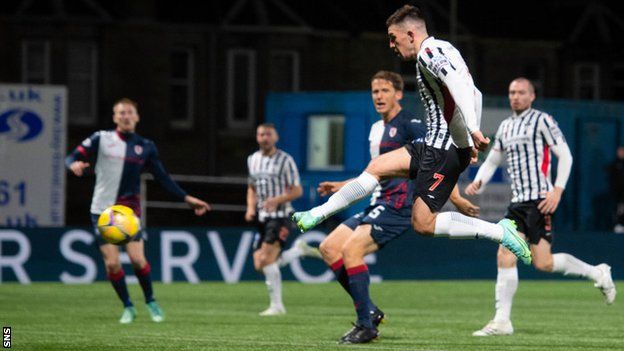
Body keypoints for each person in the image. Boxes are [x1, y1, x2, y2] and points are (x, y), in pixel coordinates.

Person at [293, 4, 533, 342]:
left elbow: (461, 90)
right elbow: (473, 91)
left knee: (423, 224)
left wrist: (473, 132)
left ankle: (500, 231)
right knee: (376, 167)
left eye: (393, 39)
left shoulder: (429, 52)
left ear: (410, 33)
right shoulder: (447, 48)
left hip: (441, 150)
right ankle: (317, 214)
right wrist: (469, 137)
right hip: (434, 144)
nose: (392, 46)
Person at [318, 70, 480, 344]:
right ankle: (368, 309)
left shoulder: (410, 124)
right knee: (328, 248)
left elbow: (435, 160)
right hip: (378, 201)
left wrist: (455, 196)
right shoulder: (376, 129)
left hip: (398, 205)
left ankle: (365, 325)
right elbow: (378, 171)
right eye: (375, 91)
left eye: (384, 91)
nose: (379, 96)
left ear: (398, 94)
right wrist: (342, 185)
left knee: (351, 250)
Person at [465, 78, 616, 336]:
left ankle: (597, 272)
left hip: (539, 200)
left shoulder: (543, 120)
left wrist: (557, 190)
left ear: (532, 96)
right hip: (517, 204)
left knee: (543, 263)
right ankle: (502, 321)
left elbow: (565, 155)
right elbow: (494, 160)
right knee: (505, 253)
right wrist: (479, 180)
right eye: (512, 92)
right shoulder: (506, 126)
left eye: (521, 92)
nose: (515, 96)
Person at [65, 98, 211, 324]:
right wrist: (73, 164)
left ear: (137, 117)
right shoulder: (101, 138)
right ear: (114, 117)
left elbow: (162, 177)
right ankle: (128, 307)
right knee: (112, 264)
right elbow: (72, 156)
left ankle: (151, 301)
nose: (125, 116)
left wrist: (186, 198)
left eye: (129, 112)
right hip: (102, 211)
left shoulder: (146, 146)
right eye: (121, 112)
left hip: (128, 212)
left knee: (137, 260)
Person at [245, 123, 322, 316]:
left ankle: (277, 306)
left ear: (276, 137)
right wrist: (250, 208)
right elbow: (251, 187)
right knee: (259, 264)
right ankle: (297, 251)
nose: (264, 138)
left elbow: (297, 190)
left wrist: (277, 199)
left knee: (266, 259)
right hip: (262, 218)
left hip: (280, 216)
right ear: (257, 137)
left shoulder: (285, 160)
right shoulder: (252, 160)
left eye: (268, 134)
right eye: (261, 134)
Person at [610, 146, 624, 233]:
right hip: (617, 192)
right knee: (618, 209)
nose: (621, 153)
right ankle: (618, 225)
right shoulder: (615, 164)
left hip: (622, 192)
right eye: (620, 151)